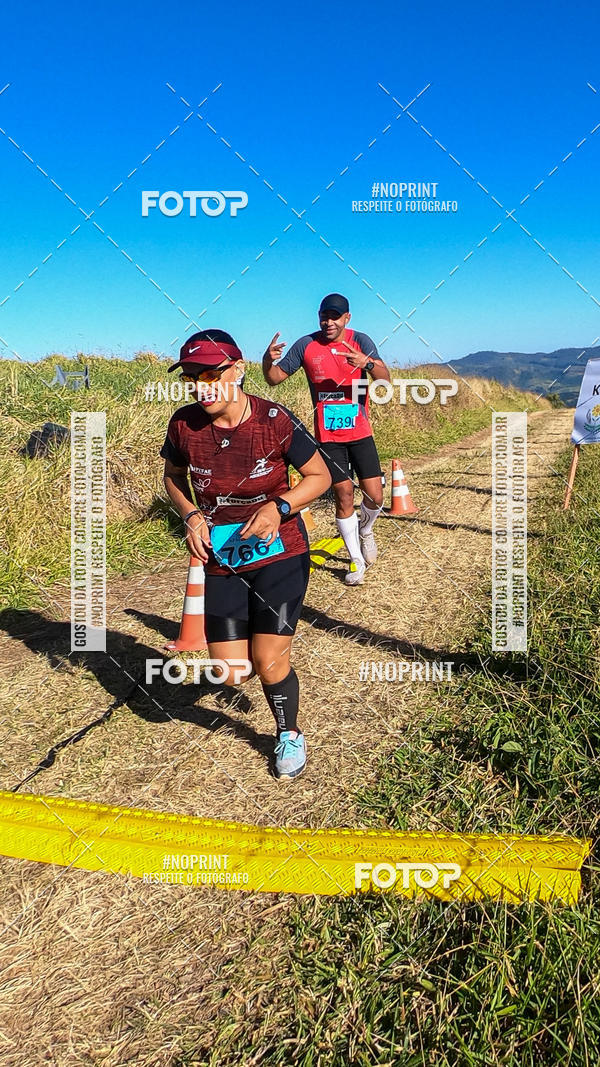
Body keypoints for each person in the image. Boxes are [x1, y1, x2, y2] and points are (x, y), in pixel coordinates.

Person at [161, 329, 331, 781]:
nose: (202, 386)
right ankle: (262, 656)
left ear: (237, 370)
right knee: (233, 672)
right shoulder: (183, 425)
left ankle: (288, 733)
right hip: (224, 558)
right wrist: (192, 515)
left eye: (212, 374)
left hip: (281, 551)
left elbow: (319, 476)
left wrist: (280, 508)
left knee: (271, 659)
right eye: (193, 377)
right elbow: (173, 477)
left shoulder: (274, 420)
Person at [262, 293, 391, 585]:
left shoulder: (361, 341)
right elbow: (274, 378)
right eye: (324, 316)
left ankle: (366, 530)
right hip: (329, 436)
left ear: (347, 318)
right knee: (344, 494)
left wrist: (366, 363)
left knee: (376, 495)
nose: (328, 322)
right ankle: (356, 559)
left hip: (360, 432)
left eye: (335, 317)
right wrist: (266, 361)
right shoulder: (307, 345)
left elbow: (385, 379)